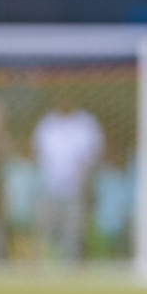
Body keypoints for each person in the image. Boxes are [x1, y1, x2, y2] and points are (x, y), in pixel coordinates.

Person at [30, 102, 104, 262]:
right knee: (45, 229)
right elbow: (37, 152)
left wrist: (81, 177)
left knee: (73, 231)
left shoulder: (85, 123)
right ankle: (44, 265)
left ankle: (72, 267)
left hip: (75, 188)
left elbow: (93, 154)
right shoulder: (47, 123)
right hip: (49, 187)